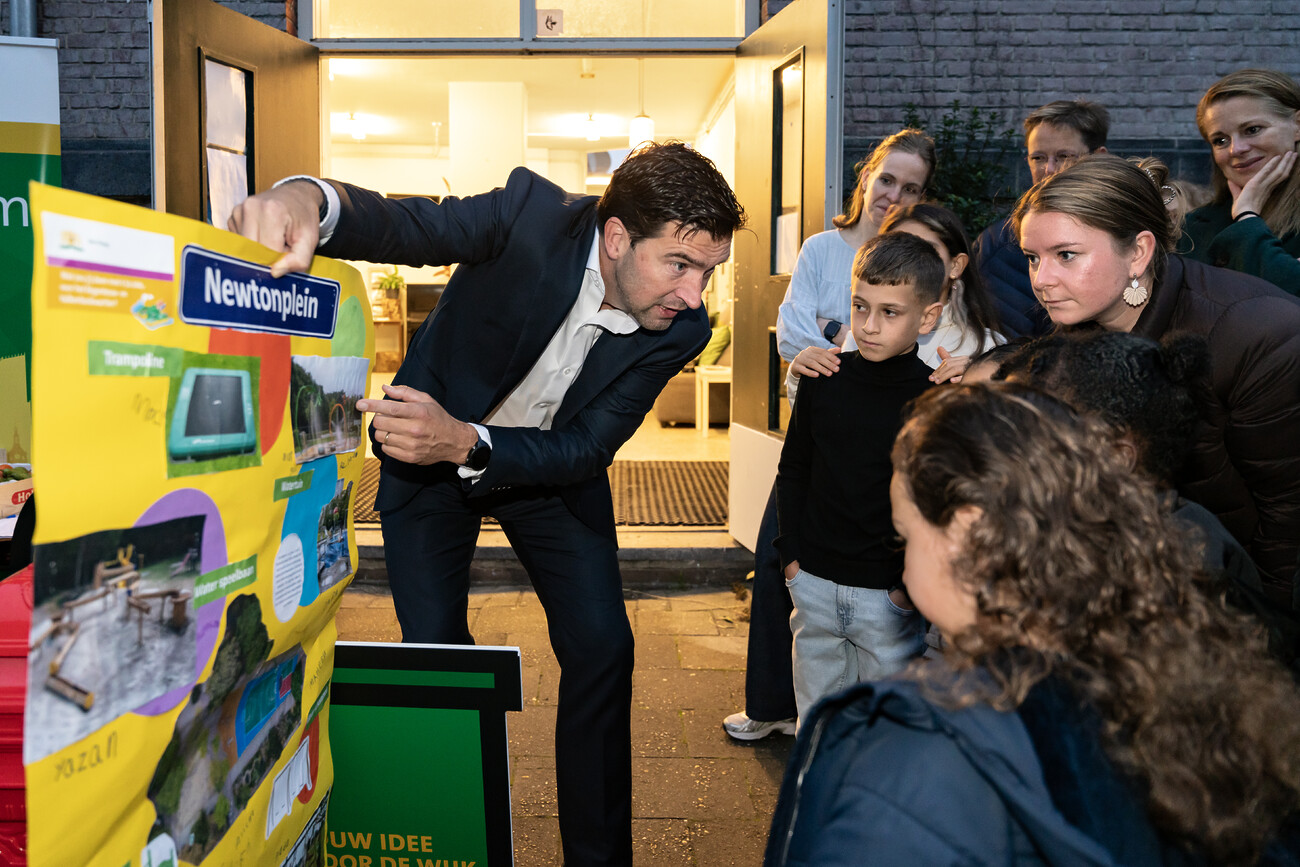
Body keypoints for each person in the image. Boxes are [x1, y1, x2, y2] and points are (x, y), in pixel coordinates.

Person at [229, 142, 746, 867]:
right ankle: (459, 835)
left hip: (545, 471)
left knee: (605, 648)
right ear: (618, 236)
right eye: (681, 266)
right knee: (438, 655)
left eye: (709, 272)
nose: (695, 296)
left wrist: (468, 441)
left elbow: (586, 449)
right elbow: (409, 225)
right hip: (426, 462)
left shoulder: (679, 328)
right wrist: (308, 200)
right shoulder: (530, 216)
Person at [765, 384, 1300, 866]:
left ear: (966, 537)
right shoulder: (1185, 683)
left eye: (905, 537)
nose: (904, 563)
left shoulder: (918, 746)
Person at [1014, 153, 1300, 606]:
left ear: (1140, 252)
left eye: (1066, 255)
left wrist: (1269, 638)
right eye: (1033, 257)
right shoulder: (1075, 329)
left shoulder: (1255, 335)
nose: (1042, 280)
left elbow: (1288, 522)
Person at [723, 129, 935, 741]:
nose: (893, 195)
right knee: (811, 669)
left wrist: (903, 588)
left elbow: (926, 496)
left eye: (911, 188)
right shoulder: (823, 250)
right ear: (866, 175)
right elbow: (796, 337)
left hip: (882, 583)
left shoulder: (925, 387)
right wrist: (793, 560)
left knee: (881, 708)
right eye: (887, 179)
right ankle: (779, 719)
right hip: (817, 555)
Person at [775, 232, 945, 726]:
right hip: (813, 584)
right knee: (816, 726)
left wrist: (904, 591)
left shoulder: (933, 397)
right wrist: (791, 560)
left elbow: (937, 505)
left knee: (883, 734)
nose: (869, 326)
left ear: (928, 318)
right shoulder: (823, 377)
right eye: (859, 306)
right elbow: (794, 468)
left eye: (890, 312)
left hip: (887, 600)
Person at [973, 99, 1110, 339]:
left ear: (1097, 157)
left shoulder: (1121, 231)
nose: (1048, 169)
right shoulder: (996, 246)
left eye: (1064, 156)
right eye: (1038, 157)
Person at [1183, 68, 1300, 294]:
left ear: (1297, 125)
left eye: (1252, 130)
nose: (1236, 149)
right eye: (1220, 140)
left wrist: (1246, 217)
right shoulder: (1193, 227)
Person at [879, 202, 1004, 379]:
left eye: (926, 250)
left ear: (956, 265)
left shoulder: (986, 348)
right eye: (894, 250)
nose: (905, 263)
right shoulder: (863, 335)